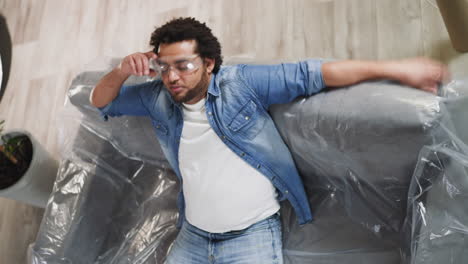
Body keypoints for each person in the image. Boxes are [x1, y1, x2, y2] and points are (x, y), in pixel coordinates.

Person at [90, 17, 449, 264]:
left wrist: (399, 69)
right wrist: (123, 70)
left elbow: (316, 73)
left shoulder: (241, 84)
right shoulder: (157, 98)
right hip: (193, 236)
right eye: (164, 67)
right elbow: (101, 102)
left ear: (210, 63)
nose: (172, 77)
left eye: (183, 65)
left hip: (251, 237)